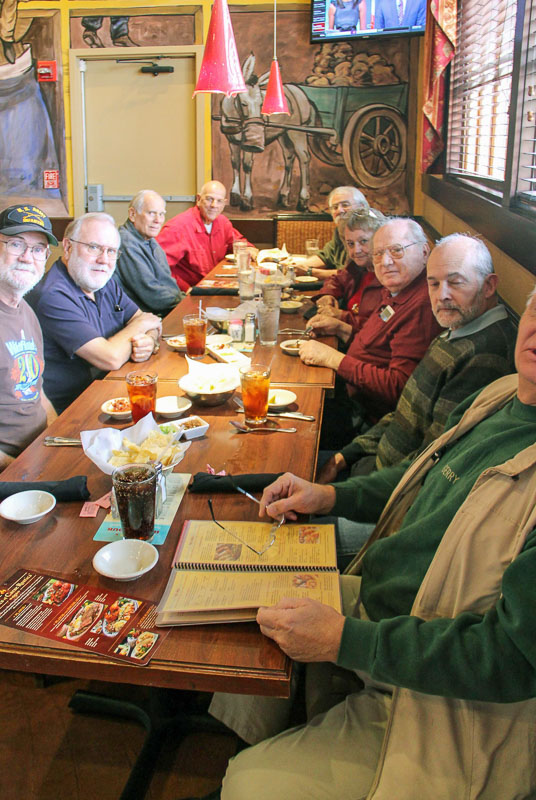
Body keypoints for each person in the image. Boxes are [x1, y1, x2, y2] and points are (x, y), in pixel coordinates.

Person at [213, 286, 536, 800]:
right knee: (244, 600)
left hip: (448, 701)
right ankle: (270, 741)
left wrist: (348, 640)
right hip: (379, 608)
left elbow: (512, 659)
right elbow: (419, 475)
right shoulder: (499, 395)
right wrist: (328, 495)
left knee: (246, 785)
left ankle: (265, 761)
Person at [317, 233, 517, 565]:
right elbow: (402, 412)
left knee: (283, 529)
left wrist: (340, 493)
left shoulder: (485, 356)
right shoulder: (456, 331)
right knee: (280, 478)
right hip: (369, 470)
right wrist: (343, 457)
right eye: (434, 284)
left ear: (490, 285)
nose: (442, 296)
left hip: (391, 507)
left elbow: (428, 467)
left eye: (456, 283)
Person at [301, 217, 441, 448]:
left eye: (397, 251)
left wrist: (333, 359)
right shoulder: (396, 290)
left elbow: (398, 388)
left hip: (366, 420)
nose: (385, 262)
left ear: (425, 251)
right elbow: (376, 342)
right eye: (378, 253)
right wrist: (342, 329)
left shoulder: (421, 306)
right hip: (350, 394)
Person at [28, 211, 161, 414]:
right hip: (72, 412)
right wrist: (141, 327)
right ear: (68, 246)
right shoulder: (52, 295)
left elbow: (150, 322)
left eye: (111, 251)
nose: (104, 260)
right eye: (94, 247)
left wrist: (150, 342)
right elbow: (110, 358)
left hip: (110, 392)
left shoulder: (102, 282)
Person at [0, 204, 57, 470]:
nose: (27, 257)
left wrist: (58, 438)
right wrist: (18, 470)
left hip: (38, 451)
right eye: (15, 244)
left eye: (37, 249)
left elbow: (37, 392)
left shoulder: (26, 312)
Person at [156, 180, 257, 290]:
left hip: (215, 285)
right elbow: (157, 267)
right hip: (189, 292)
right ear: (198, 199)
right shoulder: (178, 227)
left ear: (224, 203)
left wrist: (249, 249)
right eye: (209, 199)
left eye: (219, 201)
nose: (214, 205)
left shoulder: (222, 222)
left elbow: (240, 243)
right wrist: (185, 289)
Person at [115, 190, 184, 316]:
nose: (158, 220)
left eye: (161, 214)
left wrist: (186, 299)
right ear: (132, 214)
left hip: (163, 311)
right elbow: (152, 295)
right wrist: (185, 302)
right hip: (140, 320)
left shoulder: (150, 240)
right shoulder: (126, 243)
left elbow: (168, 283)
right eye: (152, 213)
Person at [313, 207, 385, 325]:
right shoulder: (358, 267)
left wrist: (342, 316)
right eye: (350, 244)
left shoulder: (389, 277)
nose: (356, 250)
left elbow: (379, 327)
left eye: (363, 241)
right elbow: (337, 279)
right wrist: (327, 294)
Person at [288, 185, 370, 279]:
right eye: (335, 207)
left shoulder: (369, 232)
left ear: (362, 206)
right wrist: (296, 267)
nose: (339, 210)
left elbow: (352, 275)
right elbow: (326, 256)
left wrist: (310, 272)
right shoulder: (340, 231)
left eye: (345, 205)